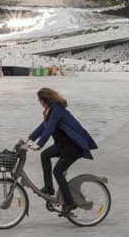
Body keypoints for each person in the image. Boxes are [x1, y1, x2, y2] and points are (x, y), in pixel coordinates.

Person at [25, 86, 98, 217]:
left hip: (73, 147)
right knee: (45, 155)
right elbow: (43, 127)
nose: (39, 102)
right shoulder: (51, 110)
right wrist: (28, 139)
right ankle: (49, 188)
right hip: (62, 145)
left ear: (44, 100)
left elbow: (49, 129)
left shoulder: (57, 110)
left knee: (57, 171)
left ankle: (70, 203)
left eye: (39, 100)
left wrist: (39, 144)